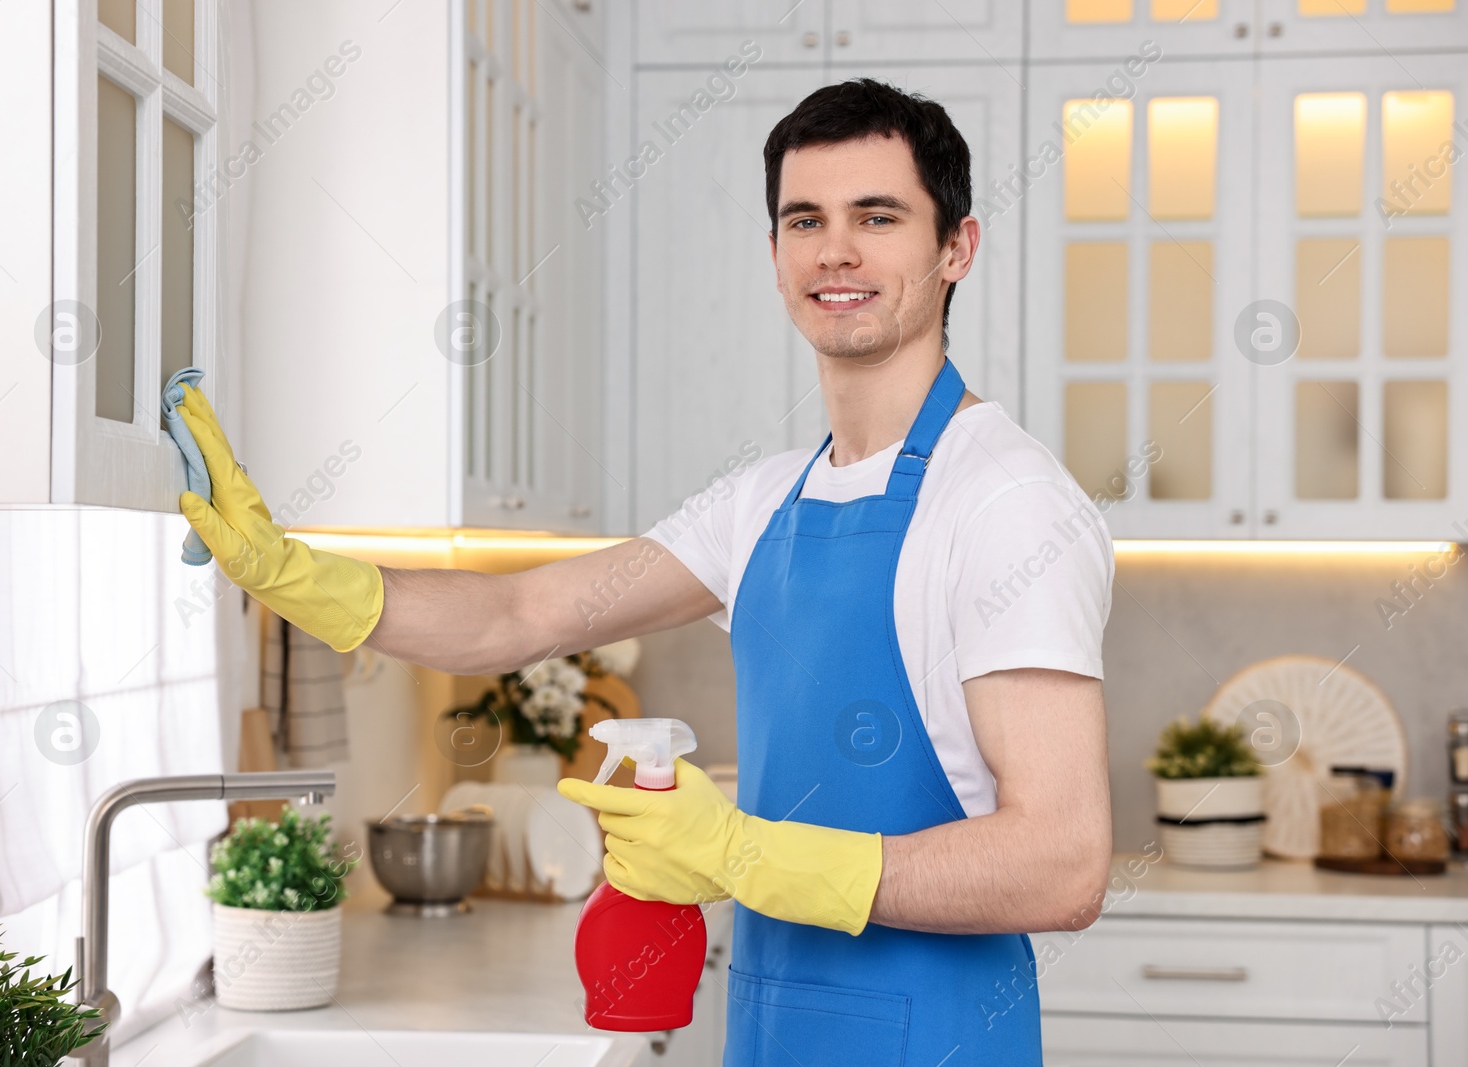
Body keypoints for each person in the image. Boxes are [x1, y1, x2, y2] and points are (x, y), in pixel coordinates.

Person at [176, 78, 1113, 1063]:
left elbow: (1060, 863)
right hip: (770, 1027)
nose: (836, 250)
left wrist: (742, 852)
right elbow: (518, 613)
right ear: (774, 255)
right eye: (806, 219)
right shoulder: (762, 503)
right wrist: (291, 572)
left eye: (876, 217)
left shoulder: (1006, 502)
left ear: (955, 246)